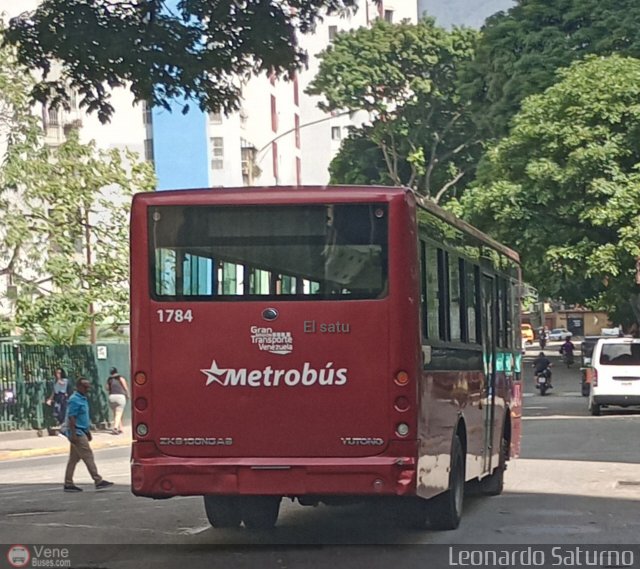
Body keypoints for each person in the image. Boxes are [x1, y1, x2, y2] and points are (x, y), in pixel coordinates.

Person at [61, 377, 114, 492]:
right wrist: (74, 433)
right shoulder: (75, 399)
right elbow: (72, 417)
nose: (87, 389)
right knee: (88, 456)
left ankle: (68, 482)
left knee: (74, 459)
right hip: (77, 432)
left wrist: (88, 431)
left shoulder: (83, 398)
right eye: (85, 386)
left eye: (88, 386)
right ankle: (98, 480)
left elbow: (83, 418)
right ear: (79, 387)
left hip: (81, 431)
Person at [46, 367, 72, 432]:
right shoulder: (55, 382)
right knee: (57, 411)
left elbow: (68, 389)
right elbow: (54, 391)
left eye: (59, 373)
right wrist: (50, 399)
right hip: (58, 398)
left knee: (63, 411)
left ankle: (64, 426)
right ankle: (62, 424)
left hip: (64, 398)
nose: (58, 374)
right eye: (57, 373)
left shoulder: (65, 381)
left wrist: (67, 394)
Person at [106, 367, 129, 435]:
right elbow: (125, 387)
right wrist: (128, 394)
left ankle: (121, 428)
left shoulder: (109, 380)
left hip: (111, 397)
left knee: (116, 414)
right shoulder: (120, 378)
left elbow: (107, 388)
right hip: (120, 397)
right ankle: (115, 428)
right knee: (119, 413)